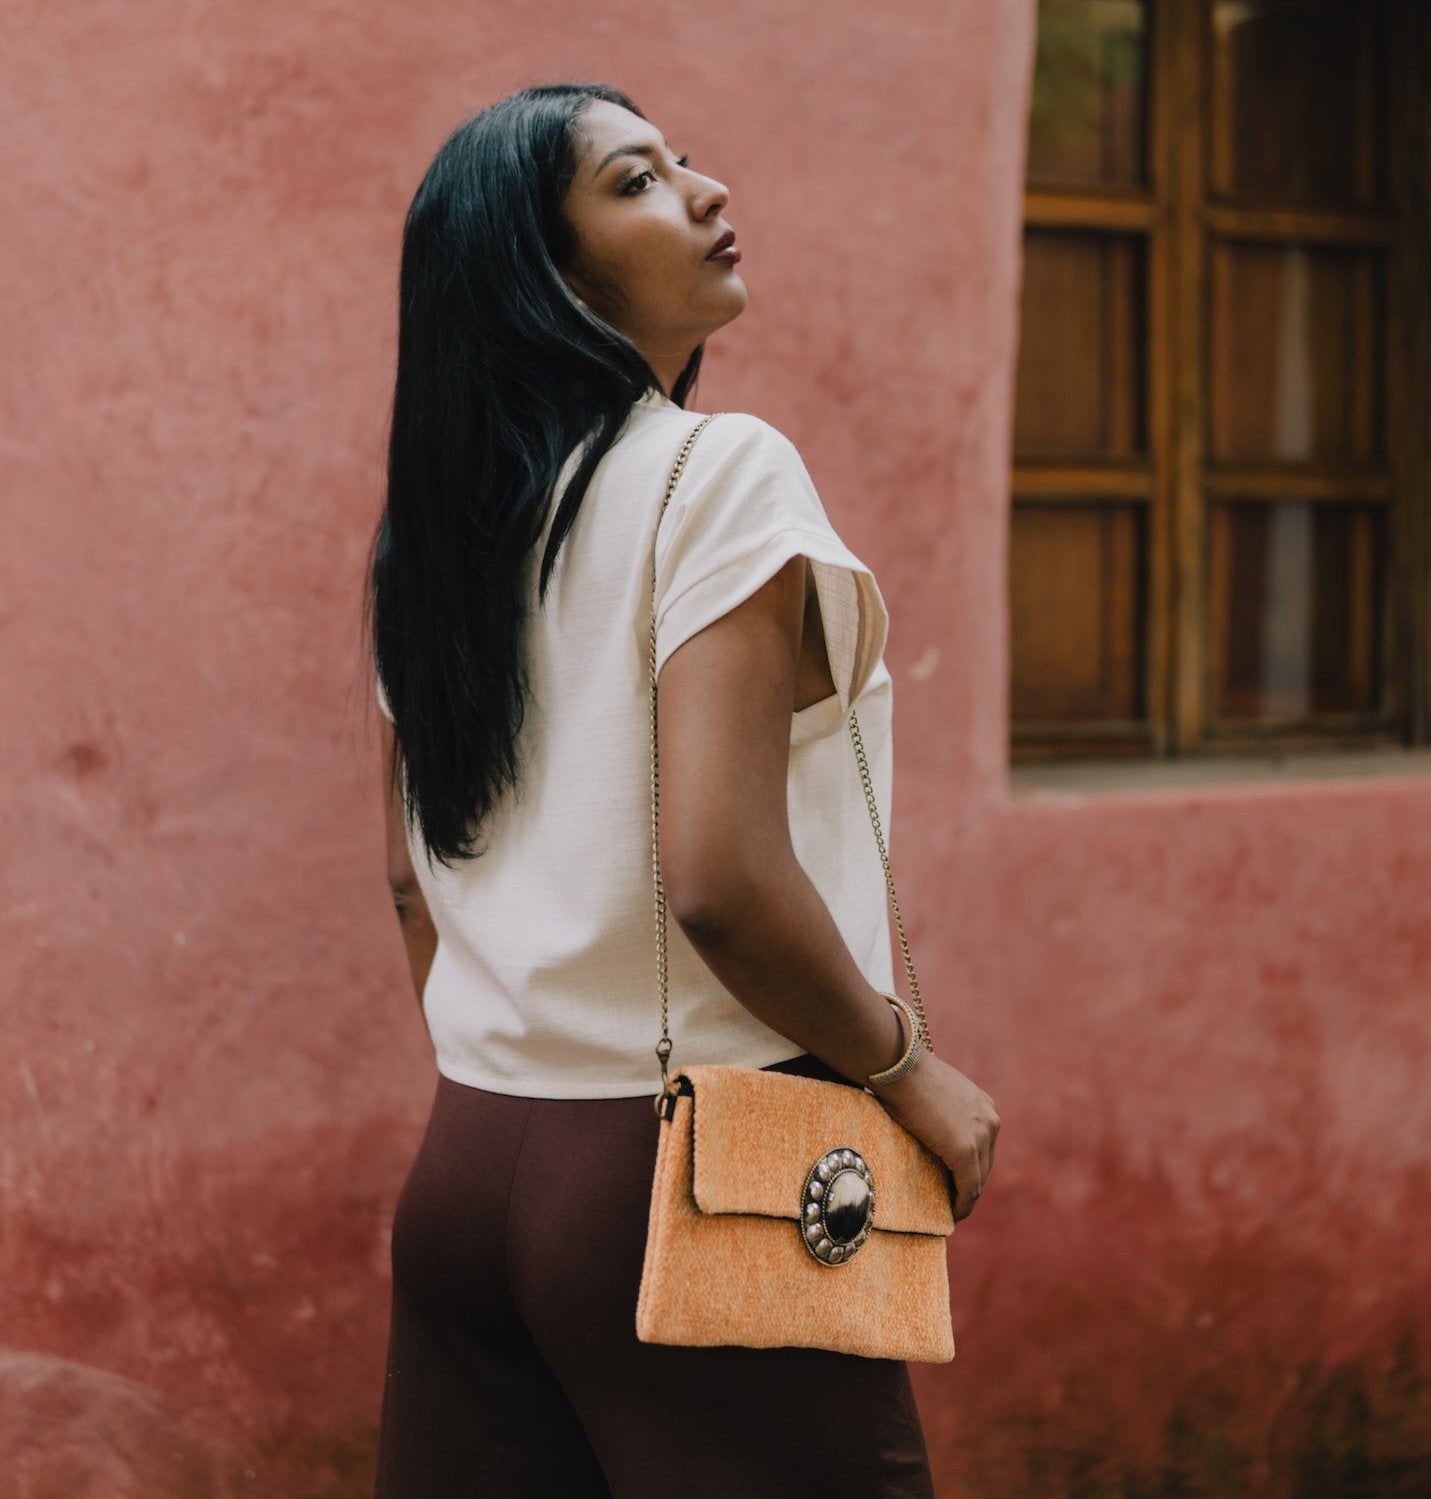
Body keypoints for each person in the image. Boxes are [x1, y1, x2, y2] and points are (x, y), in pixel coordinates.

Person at [366, 80, 1000, 1498]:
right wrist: (913, 1075)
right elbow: (718, 873)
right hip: (692, 1167)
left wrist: (532, 1067)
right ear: (550, 276)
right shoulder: (719, 473)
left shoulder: (440, 537)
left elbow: (411, 876)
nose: (708, 193)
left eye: (687, 162)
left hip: (470, 1159)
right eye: (638, 182)